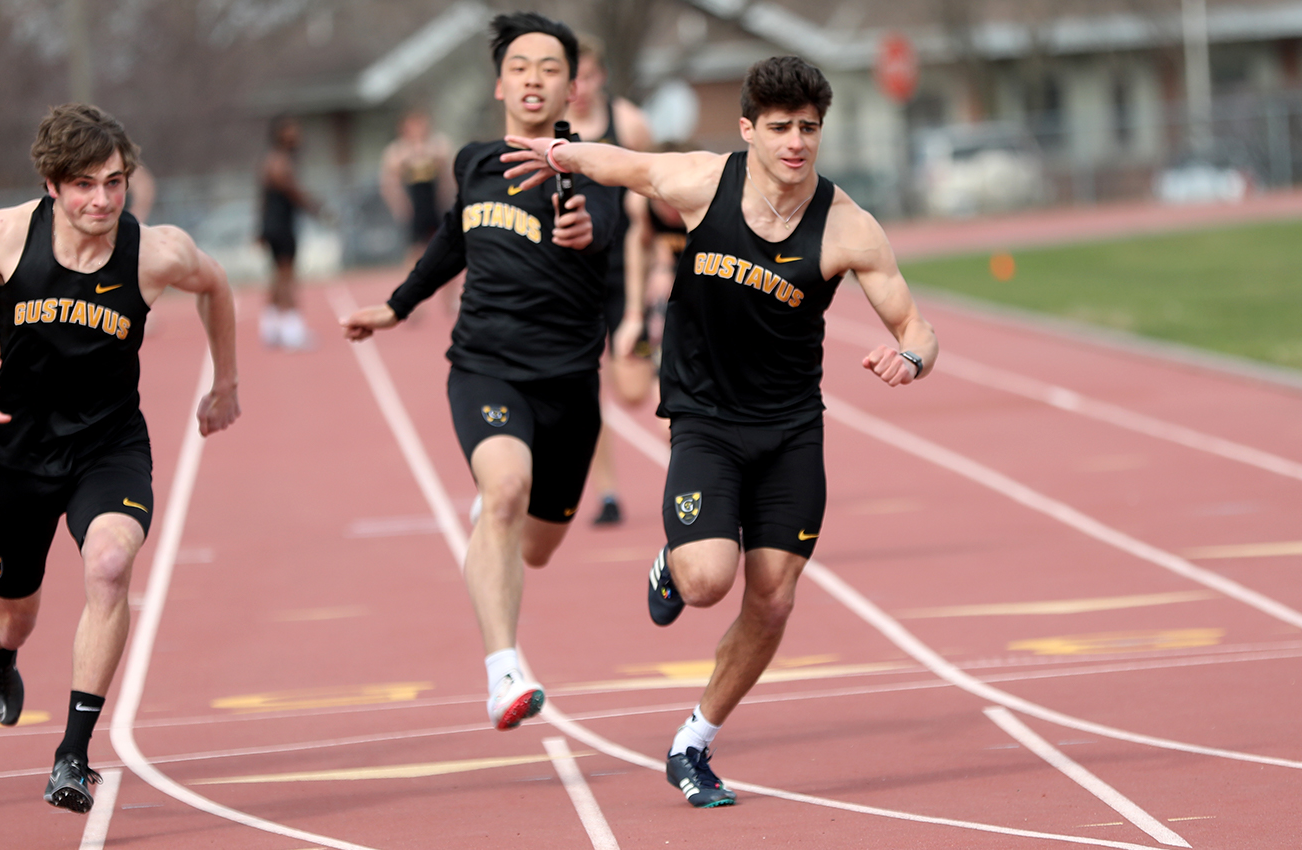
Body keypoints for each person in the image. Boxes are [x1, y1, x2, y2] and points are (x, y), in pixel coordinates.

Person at [502, 55, 938, 807]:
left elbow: (917, 325)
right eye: (779, 128)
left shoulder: (847, 226)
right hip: (706, 420)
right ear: (749, 130)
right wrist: (559, 151)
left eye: (809, 128)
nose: (796, 143)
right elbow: (627, 166)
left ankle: (693, 742)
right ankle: (671, 566)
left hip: (793, 430)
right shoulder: (708, 183)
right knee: (707, 581)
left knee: (772, 600)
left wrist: (910, 359)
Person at [0, 103, 239, 813]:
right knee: (12, 615)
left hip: (109, 445)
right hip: (19, 450)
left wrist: (226, 382)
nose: (101, 200)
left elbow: (215, 286)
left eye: (115, 182)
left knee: (111, 563)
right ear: (53, 186)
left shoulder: (156, 251)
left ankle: (72, 755)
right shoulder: (3, 237)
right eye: (85, 184)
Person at [342, 12, 616, 733]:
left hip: (569, 385)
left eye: (549, 67)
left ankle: (494, 521)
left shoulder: (597, 168)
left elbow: (605, 234)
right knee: (503, 492)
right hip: (486, 367)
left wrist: (585, 234)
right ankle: (503, 674)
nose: (533, 77)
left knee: (537, 545)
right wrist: (398, 306)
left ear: (572, 87)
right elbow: (450, 240)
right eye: (520, 65)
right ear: (500, 83)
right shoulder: (474, 162)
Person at [566, 36, 651, 527]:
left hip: (624, 274)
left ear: (601, 76)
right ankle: (608, 494)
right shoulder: (547, 133)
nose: (580, 89)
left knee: (636, 391)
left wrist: (640, 304)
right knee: (585, 391)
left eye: (589, 77)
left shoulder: (630, 124)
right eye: (571, 79)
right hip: (573, 282)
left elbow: (647, 217)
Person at [379, 110, 457, 312]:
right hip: (416, 208)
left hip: (437, 206)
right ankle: (412, 300)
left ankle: (450, 300)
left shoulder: (438, 145)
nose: (418, 129)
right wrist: (400, 206)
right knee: (415, 254)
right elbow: (389, 183)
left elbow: (449, 175)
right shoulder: (397, 151)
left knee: (448, 251)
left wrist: (450, 200)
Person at [258, 115, 320, 350]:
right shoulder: (279, 160)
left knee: (277, 275)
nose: (297, 135)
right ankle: (292, 330)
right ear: (281, 134)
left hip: (275, 224)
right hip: (281, 225)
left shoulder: (272, 159)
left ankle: (270, 327)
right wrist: (317, 208)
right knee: (287, 276)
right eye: (292, 130)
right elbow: (292, 190)